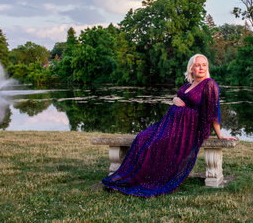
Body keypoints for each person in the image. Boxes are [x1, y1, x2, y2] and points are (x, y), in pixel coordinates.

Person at [102, 54, 238, 197]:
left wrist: (219, 134)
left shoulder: (209, 85)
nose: (201, 68)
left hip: (189, 128)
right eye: (198, 65)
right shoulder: (188, 84)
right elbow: (180, 97)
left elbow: (213, 111)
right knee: (142, 138)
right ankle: (128, 177)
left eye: (204, 65)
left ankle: (146, 180)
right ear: (191, 68)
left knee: (156, 144)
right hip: (169, 124)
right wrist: (174, 99)